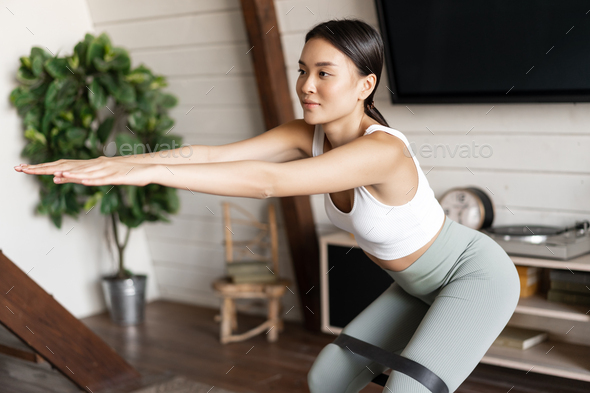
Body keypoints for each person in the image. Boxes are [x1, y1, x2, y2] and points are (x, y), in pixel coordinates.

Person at [15, 18, 520, 393]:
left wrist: (145, 172)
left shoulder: (381, 151)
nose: (306, 85)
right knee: (327, 377)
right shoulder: (308, 134)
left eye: (325, 73)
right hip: (415, 286)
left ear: (365, 85)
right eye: (303, 70)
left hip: (474, 278)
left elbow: (268, 183)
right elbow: (214, 155)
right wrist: (120, 163)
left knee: (407, 390)